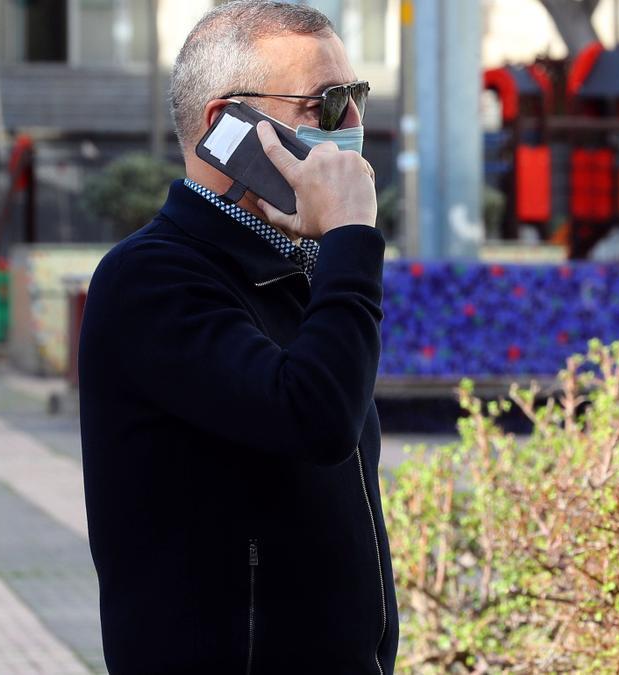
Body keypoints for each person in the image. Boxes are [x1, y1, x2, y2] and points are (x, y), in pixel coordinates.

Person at [77, 2, 397, 673]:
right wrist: (350, 239)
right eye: (325, 103)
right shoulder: (151, 280)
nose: (354, 128)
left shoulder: (296, 269)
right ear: (227, 128)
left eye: (356, 98)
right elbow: (314, 418)